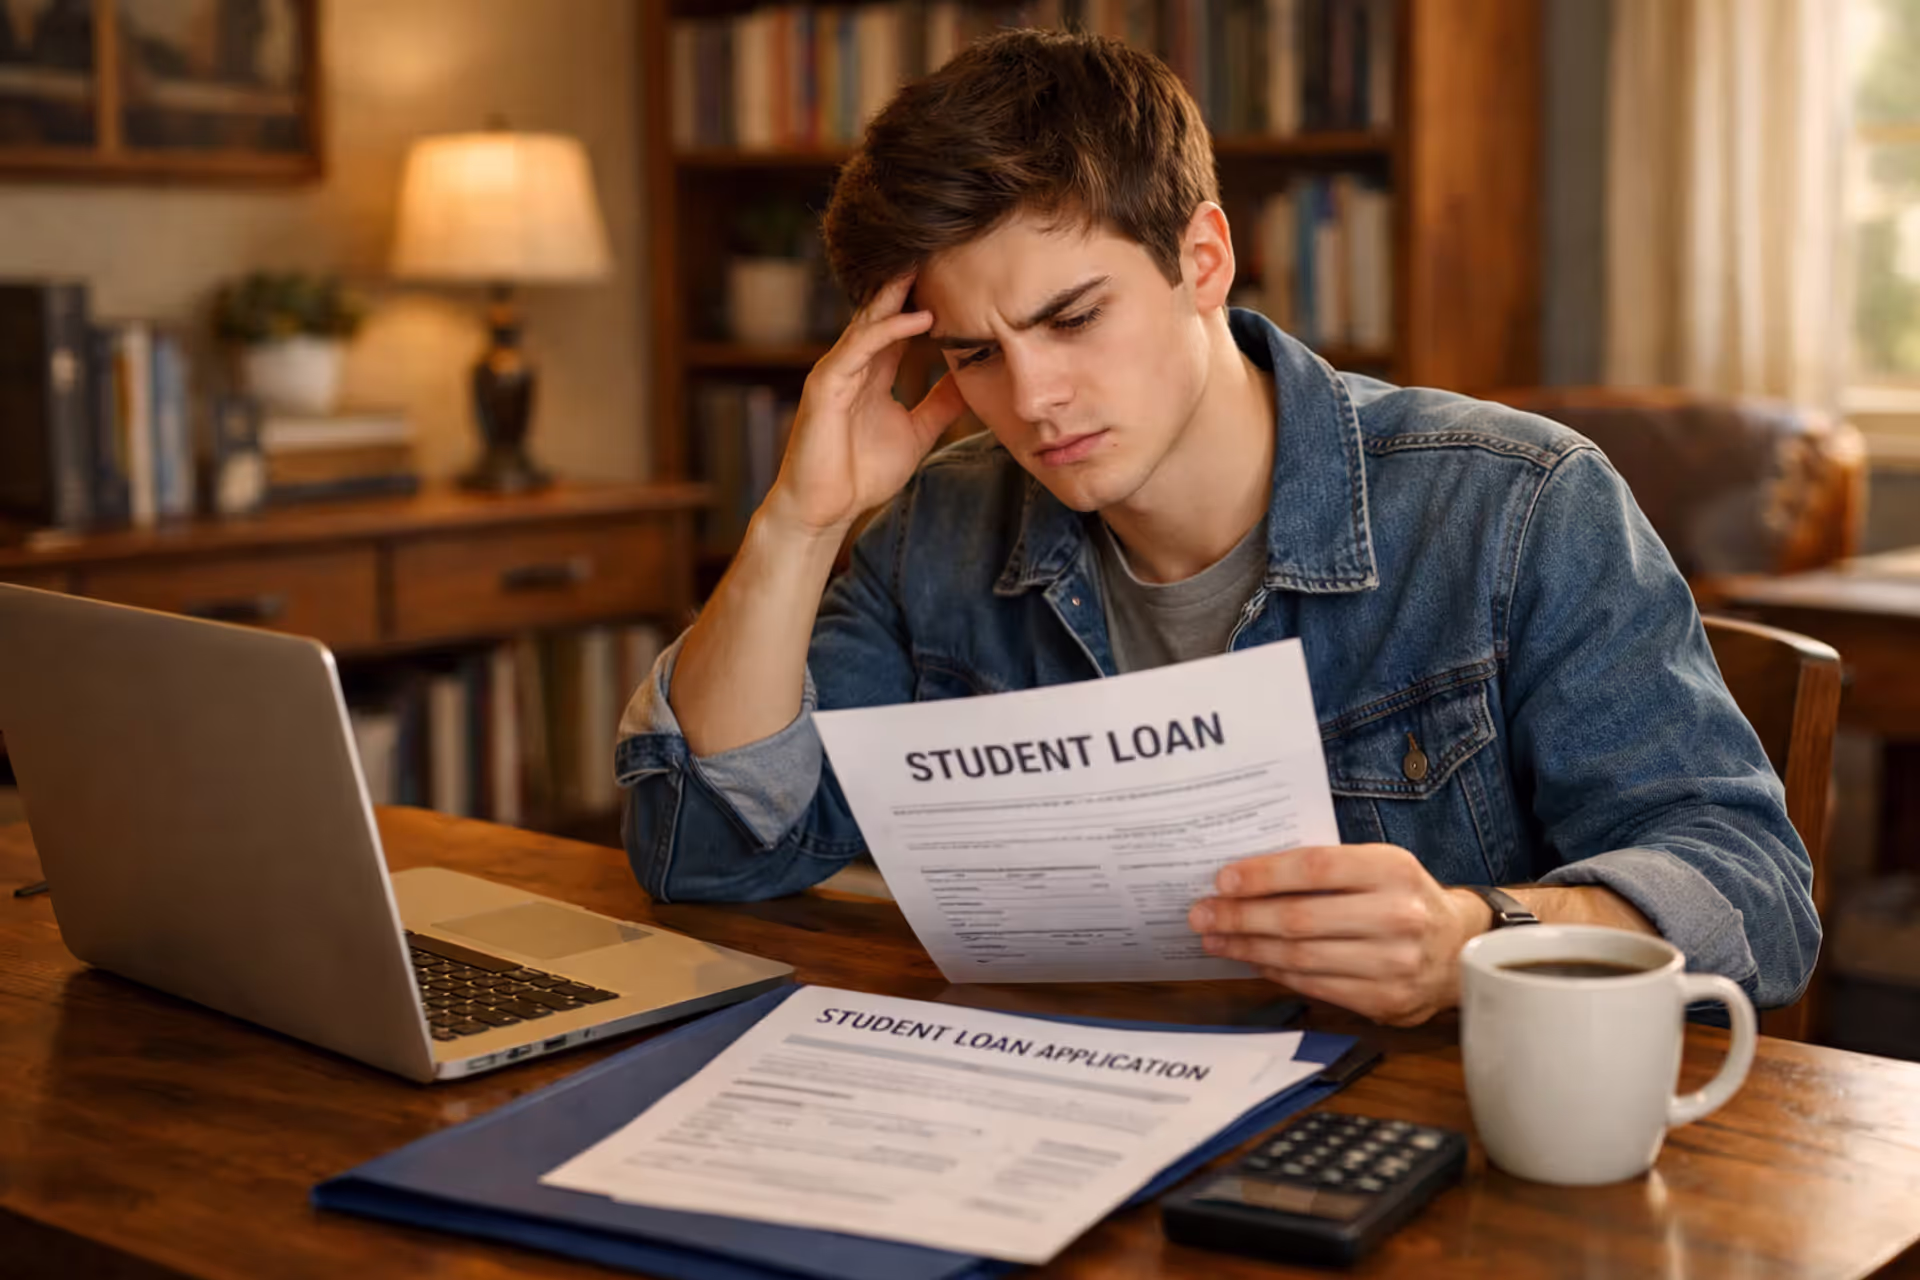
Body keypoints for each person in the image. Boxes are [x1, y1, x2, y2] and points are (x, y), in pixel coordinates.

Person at [617, 29, 1818, 1026]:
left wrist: (1475, 932)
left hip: (1425, 1142)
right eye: (974, 353)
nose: (1031, 400)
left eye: (1075, 317)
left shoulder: (1517, 502)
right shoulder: (938, 521)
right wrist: (798, 521)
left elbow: (1753, 893)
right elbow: (709, 851)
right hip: (1066, 1111)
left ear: (1203, 257)